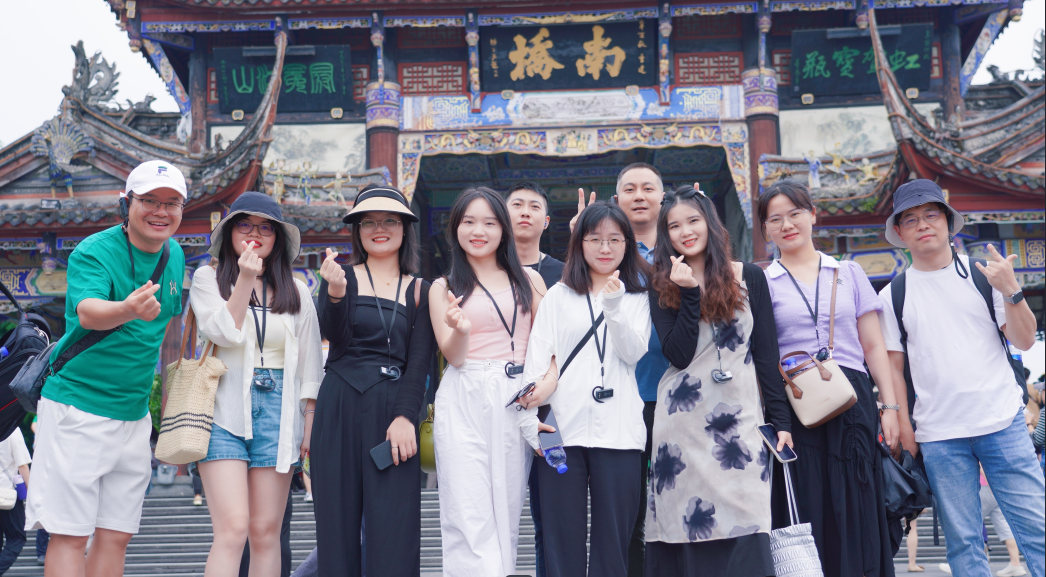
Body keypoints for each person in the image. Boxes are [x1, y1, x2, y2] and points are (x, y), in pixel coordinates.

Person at [26, 160, 187, 577]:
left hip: (133, 415)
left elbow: (162, 327)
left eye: (172, 203)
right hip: (77, 409)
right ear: (125, 204)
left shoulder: (174, 255)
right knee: (69, 535)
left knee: (116, 534)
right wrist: (127, 308)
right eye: (149, 200)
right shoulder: (94, 251)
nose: (161, 211)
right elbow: (88, 312)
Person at [876, 180, 1044, 577]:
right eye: (911, 219)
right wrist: (905, 427)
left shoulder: (984, 276)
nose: (923, 224)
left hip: (1002, 423)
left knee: (1037, 528)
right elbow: (894, 371)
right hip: (940, 435)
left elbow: (1023, 339)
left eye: (931, 215)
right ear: (899, 232)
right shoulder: (893, 295)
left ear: (949, 222)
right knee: (964, 543)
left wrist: (1012, 290)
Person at [644, 186, 792, 576]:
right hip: (683, 426)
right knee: (688, 527)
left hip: (740, 422)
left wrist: (781, 421)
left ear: (710, 223)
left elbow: (766, 354)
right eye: (674, 226)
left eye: (693, 221)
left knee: (748, 519)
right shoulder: (661, 284)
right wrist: (689, 293)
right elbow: (678, 354)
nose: (685, 231)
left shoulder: (750, 276)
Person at [759, 180, 901, 576]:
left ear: (813, 215)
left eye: (795, 213)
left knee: (858, 500)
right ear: (765, 229)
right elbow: (762, 355)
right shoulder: (762, 283)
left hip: (852, 399)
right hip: (796, 402)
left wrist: (890, 406)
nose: (787, 224)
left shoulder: (848, 272)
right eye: (775, 219)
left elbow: (874, 345)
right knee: (809, 502)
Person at [190, 191, 322, 577]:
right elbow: (222, 333)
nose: (254, 234)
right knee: (233, 529)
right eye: (245, 225)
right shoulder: (207, 279)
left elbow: (311, 364)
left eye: (266, 228)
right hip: (223, 408)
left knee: (265, 533)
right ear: (229, 232)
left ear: (277, 238)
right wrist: (246, 278)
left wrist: (309, 421)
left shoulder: (297, 290)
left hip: (280, 412)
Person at [518, 200, 651, 577]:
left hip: (620, 433)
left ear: (627, 244)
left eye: (614, 239)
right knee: (562, 543)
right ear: (580, 243)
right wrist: (529, 424)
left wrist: (614, 305)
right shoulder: (558, 296)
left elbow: (632, 352)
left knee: (614, 544)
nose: (605, 248)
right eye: (595, 239)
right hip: (561, 431)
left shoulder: (638, 295)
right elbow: (537, 362)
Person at [311, 185, 436, 576]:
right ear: (358, 230)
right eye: (369, 222)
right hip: (340, 404)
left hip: (392, 411)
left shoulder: (421, 290)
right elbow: (335, 339)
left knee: (394, 531)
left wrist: (405, 417)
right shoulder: (341, 277)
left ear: (404, 228)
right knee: (336, 529)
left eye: (389, 221)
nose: (379, 229)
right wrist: (335, 293)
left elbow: (420, 363)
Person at [428, 187, 548, 576]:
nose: (478, 231)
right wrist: (460, 329)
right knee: (465, 509)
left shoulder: (530, 280)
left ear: (503, 230)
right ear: (455, 228)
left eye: (489, 223)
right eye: (469, 222)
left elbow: (551, 346)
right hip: (464, 393)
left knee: (505, 510)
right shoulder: (443, 287)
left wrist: (543, 390)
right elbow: (454, 357)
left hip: (516, 396)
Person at [571, 163, 670, 575]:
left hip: (675, 396)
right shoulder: (605, 257)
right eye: (629, 189)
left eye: (648, 188)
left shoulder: (681, 250)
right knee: (628, 513)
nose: (639, 196)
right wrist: (581, 238)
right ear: (617, 198)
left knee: (677, 501)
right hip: (625, 400)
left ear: (663, 197)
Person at [505, 181, 564, 577]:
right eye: (516, 204)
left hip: (549, 405)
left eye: (534, 206)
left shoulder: (563, 274)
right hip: (498, 400)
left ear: (546, 220)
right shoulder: (483, 270)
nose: (525, 211)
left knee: (550, 515)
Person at [0, 428, 30, 576]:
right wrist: (31, 492)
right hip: (7, 493)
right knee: (17, 537)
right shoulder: (12, 429)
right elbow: (22, 465)